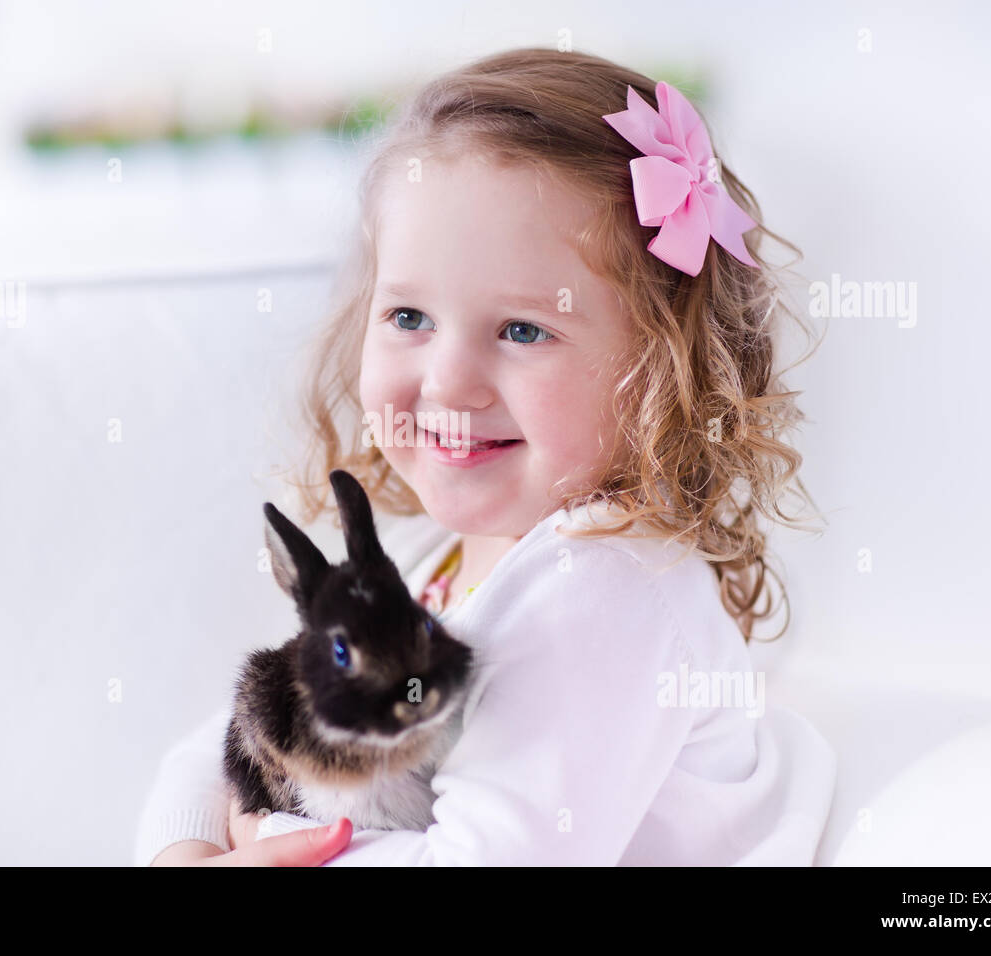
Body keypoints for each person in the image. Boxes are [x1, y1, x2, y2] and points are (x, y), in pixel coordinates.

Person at [137, 46, 836, 866]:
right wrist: (183, 852)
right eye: (408, 317)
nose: (449, 381)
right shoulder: (424, 558)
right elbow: (230, 743)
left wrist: (280, 849)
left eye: (523, 330)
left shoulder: (606, 582)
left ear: (661, 375)